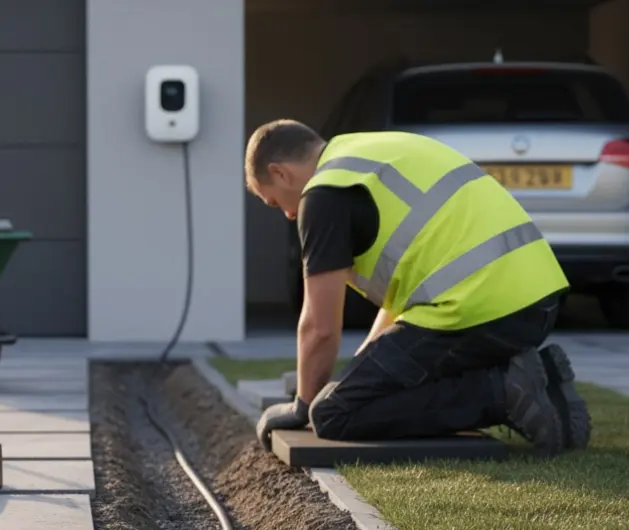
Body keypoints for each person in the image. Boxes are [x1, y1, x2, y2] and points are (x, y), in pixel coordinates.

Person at [244, 119, 590, 457]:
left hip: (476, 309)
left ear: (280, 173)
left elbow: (319, 327)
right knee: (353, 394)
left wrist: (304, 405)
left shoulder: (324, 195)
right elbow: (398, 304)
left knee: (333, 414)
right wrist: (354, 375)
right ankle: (536, 380)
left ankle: (502, 392)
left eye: (275, 202)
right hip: (535, 303)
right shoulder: (369, 153)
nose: (288, 215)